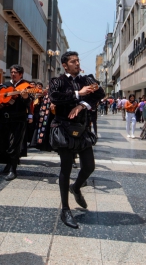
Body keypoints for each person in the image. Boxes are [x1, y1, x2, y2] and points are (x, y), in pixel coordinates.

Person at [49, 51, 105, 229]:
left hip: (82, 129)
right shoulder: (57, 81)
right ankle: (65, 209)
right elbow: (55, 97)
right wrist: (77, 93)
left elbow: (99, 93)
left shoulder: (86, 79)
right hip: (64, 127)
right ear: (65, 65)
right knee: (65, 168)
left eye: (78, 60)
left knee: (89, 166)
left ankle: (77, 187)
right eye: (73, 61)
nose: (77, 63)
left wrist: (82, 105)